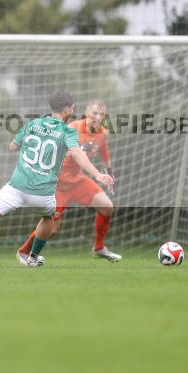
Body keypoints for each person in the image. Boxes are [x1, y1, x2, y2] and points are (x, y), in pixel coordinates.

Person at [0, 90, 114, 268]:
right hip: (42, 192)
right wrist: (98, 174)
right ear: (69, 110)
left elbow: (12, 146)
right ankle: (33, 256)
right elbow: (77, 154)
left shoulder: (32, 124)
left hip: (16, 186)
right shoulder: (67, 132)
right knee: (48, 220)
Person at [16, 99, 120, 263]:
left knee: (107, 207)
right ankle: (23, 251)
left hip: (77, 181)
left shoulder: (103, 133)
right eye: (95, 113)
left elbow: (104, 152)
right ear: (86, 113)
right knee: (52, 227)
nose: (98, 117)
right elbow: (54, 152)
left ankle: (99, 247)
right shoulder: (72, 129)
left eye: (102, 114)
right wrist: (76, 151)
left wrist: (110, 173)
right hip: (57, 183)